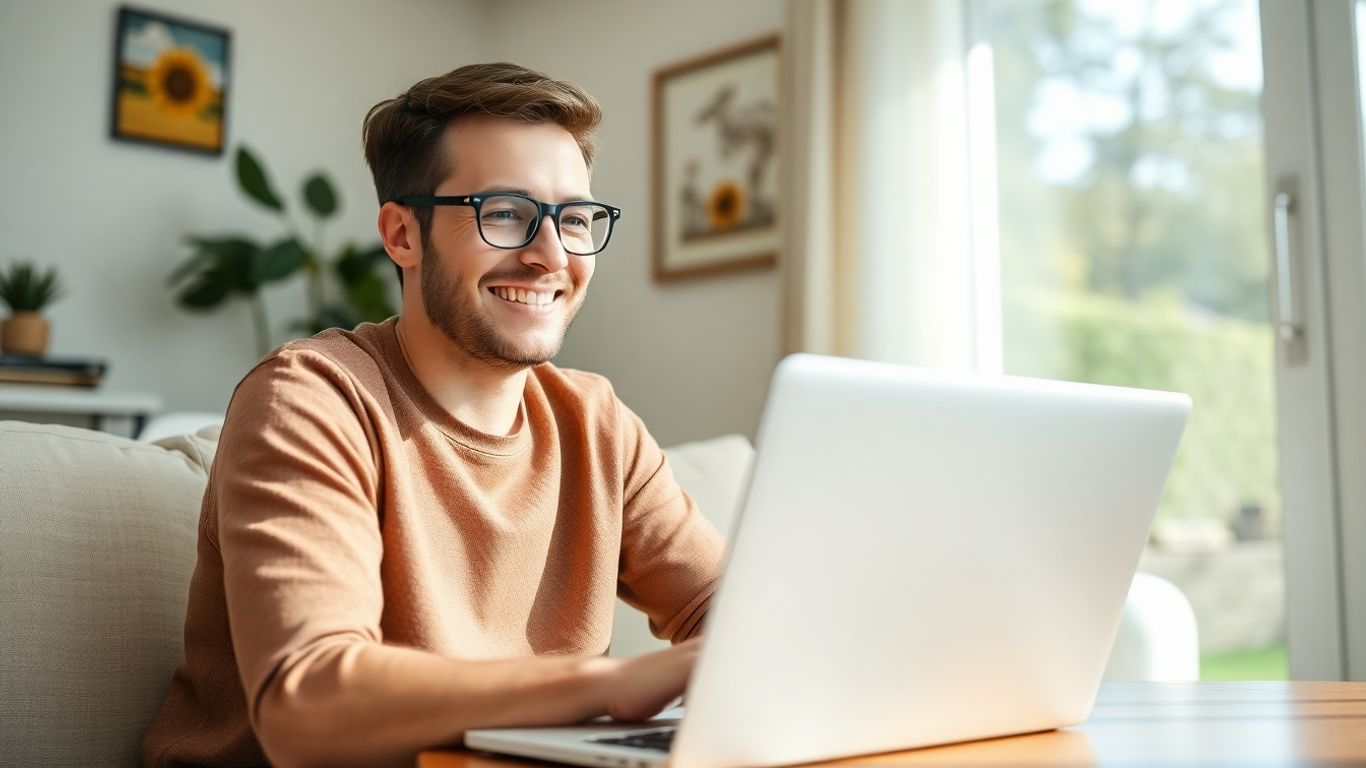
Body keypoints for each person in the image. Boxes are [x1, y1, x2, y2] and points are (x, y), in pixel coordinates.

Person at [141, 63, 727, 768]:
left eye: (574, 219)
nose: (550, 256)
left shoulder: (595, 422)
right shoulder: (310, 399)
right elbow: (307, 705)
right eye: (506, 213)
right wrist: (609, 685)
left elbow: (730, 612)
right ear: (401, 235)